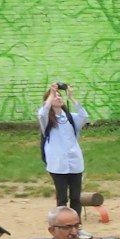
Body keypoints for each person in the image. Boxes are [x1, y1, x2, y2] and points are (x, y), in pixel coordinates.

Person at [38, 83, 88, 213]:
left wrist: (71, 97)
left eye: (59, 96)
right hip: (57, 164)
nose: (58, 97)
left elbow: (84, 116)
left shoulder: (70, 117)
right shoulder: (46, 121)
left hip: (75, 162)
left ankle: (76, 222)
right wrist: (51, 93)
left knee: (76, 197)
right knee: (62, 198)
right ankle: (63, 221)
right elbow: (42, 113)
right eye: (55, 96)